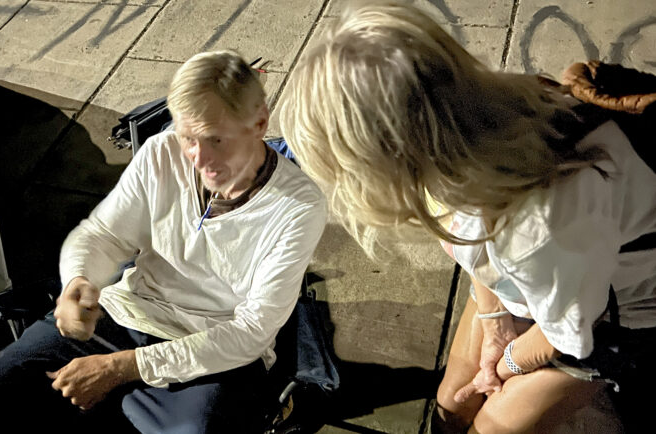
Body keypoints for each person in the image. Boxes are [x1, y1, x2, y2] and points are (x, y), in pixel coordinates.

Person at [278, 1, 656, 433]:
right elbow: (473, 247)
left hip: (616, 310)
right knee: (450, 405)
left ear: (394, 156)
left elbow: (567, 332)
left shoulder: (540, 222)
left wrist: (504, 365)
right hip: (547, 279)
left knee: (491, 426)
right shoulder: (466, 122)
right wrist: (495, 325)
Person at [0, 50, 327, 434]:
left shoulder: (299, 207)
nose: (200, 159)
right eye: (189, 138)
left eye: (216, 140)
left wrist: (121, 368)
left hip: (214, 351)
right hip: (126, 315)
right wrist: (79, 282)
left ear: (259, 123)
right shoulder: (162, 152)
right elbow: (103, 234)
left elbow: (250, 333)